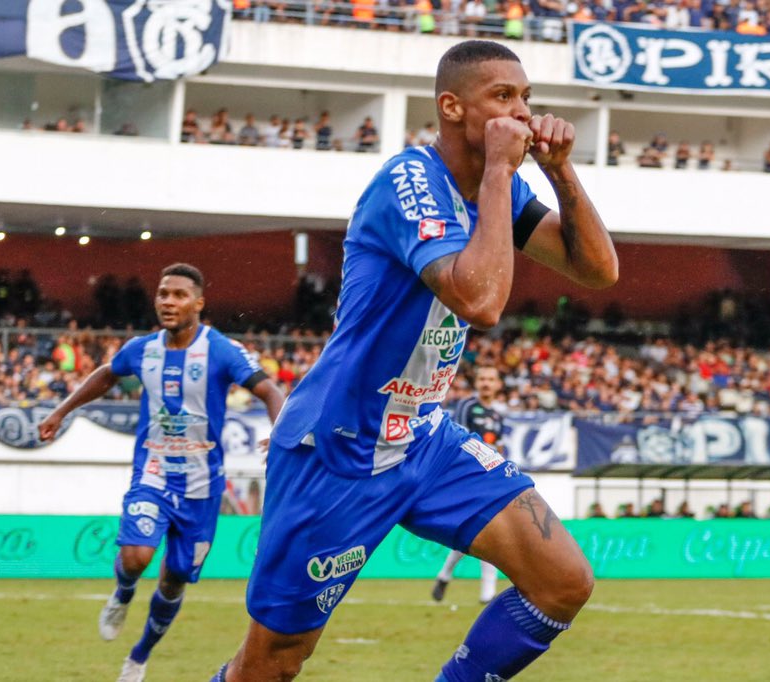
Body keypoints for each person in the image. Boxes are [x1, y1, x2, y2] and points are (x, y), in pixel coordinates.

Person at [211, 40, 618, 682]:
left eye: (527, 98)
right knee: (273, 663)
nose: (522, 113)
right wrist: (501, 174)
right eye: (503, 97)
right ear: (453, 107)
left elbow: (597, 270)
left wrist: (562, 172)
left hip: (423, 439)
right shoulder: (409, 182)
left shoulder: (498, 193)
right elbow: (480, 301)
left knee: (562, 580)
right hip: (341, 448)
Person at [38, 264, 285, 682]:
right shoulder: (142, 349)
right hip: (152, 473)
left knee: (173, 582)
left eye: (179, 295)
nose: (168, 302)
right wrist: (62, 411)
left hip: (202, 487)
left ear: (199, 304)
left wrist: (279, 432)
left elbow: (270, 390)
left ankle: (138, 656)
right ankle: (122, 592)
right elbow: (106, 374)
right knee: (136, 556)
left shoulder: (220, 350)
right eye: (163, 294)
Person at [432, 365, 508, 605]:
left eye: (491, 379)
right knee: (481, 531)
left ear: (498, 385)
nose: (486, 382)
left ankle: (473, 588)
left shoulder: (497, 416)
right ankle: (481, 591)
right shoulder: (467, 406)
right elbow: (458, 439)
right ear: (477, 383)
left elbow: (500, 447)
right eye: (482, 378)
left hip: (489, 479)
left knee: (484, 530)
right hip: (467, 477)